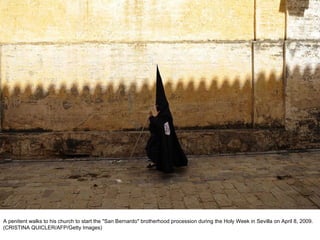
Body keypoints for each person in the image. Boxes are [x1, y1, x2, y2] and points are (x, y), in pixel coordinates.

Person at [145, 66, 188, 173]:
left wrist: (152, 118)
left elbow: (163, 126)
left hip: (164, 142)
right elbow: (155, 127)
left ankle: (164, 163)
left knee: (154, 149)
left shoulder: (166, 116)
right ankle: (157, 162)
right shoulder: (162, 115)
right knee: (150, 148)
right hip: (159, 140)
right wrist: (152, 119)